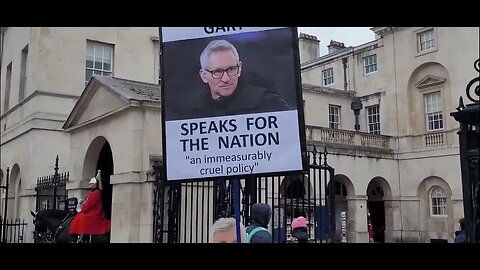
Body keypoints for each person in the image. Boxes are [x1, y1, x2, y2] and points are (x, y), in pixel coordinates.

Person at [188, 39, 291, 119]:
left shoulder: (270, 104)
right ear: (204, 75)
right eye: (217, 72)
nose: (226, 78)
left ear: (240, 68)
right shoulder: (193, 113)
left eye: (231, 69)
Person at [69, 172, 111, 242]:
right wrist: (82, 202)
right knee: (79, 217)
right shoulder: (93, 192)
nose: (90, 185)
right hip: (91, 211)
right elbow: (88, 202)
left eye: (91, 184)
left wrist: (81, 210)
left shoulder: (97, 192)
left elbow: (90, 204)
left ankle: (83, 238)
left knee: (82, 217)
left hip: (95, 212)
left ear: (95, 185)